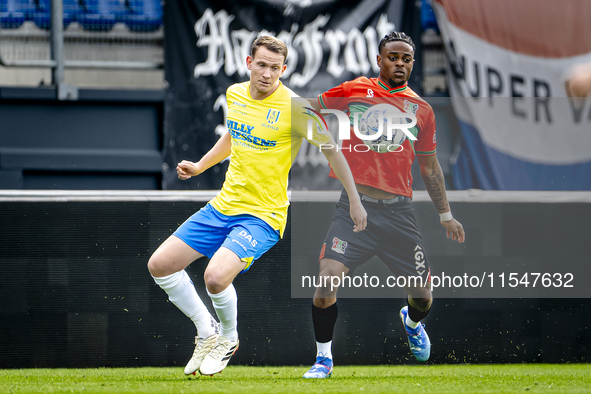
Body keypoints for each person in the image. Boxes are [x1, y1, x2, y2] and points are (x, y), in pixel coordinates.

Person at [147, 36, 367, 377]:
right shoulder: (235, 94)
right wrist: (201, 166)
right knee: (159, 265)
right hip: (223, 206)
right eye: (261, 65)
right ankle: (207, 331)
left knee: (215, 278)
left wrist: (354, 200)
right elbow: (233, 134)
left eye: (274, 68)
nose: (266, 73)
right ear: (249, 62)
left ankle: (229, 338)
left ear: (284, 69)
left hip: (263, 216)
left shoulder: (296, 108)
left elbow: (331, 149)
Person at [303, 31, 465, 379]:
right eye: (393, 57)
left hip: (399, 213)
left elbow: (430, 168)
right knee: (327, 279)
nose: (400, 64)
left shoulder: (421, 110)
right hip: (354, 209)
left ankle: (411, 321)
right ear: (380, 60)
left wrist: (446, 215)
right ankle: (323, 360)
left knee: (423, 297)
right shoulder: (353, 90)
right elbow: (307, 108)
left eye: (407, 58)